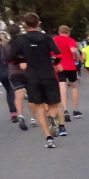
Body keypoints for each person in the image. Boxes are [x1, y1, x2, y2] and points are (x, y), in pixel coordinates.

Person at [9, 12, 62, 148]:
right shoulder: (47, 38)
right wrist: (54, 64)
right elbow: (58, 54)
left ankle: (49, 138)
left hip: (31, 76)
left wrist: (22, 59)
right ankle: (52, 117)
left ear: (24, 24)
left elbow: (11, 58)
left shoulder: (20, 40)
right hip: (48, 74)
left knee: (39, 107)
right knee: (54, 104)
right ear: (38, 23)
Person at [5, 24, 35, 130]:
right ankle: (32, 117)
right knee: (31, 95)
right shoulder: (25, 43)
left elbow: (5, 59)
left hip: (14, 72)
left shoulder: (7, 45)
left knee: (18, 95)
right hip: (28, 71)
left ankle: (20, 115)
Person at [53, 25, 82, 134]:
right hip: (70, 66)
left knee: (62, 86)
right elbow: (73, 50)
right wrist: (75, 56)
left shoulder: (54, 40)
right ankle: (75, 110)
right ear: (68, 32)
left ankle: (64, 109)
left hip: (59, 66)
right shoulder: (70, 40)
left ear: (59, 32)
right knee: (74, 86)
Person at [0, 27, 17, 123]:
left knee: (9, 90)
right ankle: (15, 112)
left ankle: (13, 113)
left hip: (1, 71)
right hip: (8, 69)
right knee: (12, 90)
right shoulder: (8, 47)